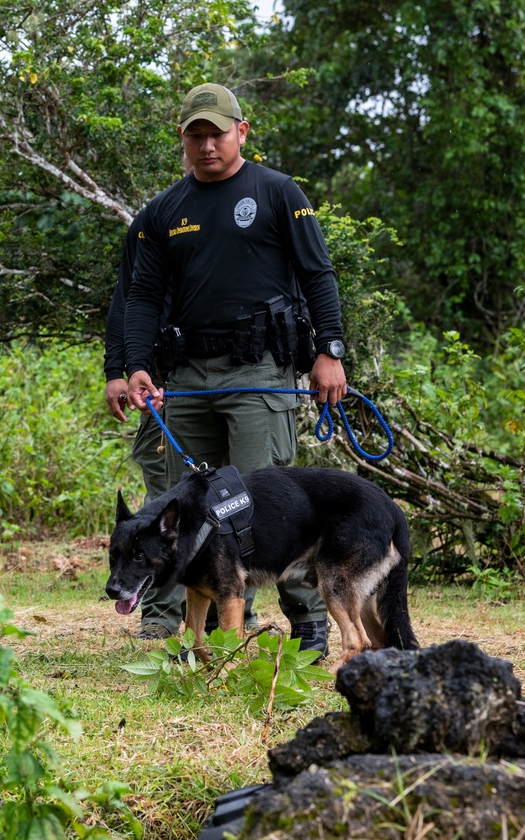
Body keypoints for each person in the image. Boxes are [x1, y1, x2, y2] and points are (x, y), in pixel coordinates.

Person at [123, 83, 348, 658]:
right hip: (187, 378)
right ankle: (178, 626)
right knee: (185, 510)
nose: (206, 145)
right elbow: (140, 296)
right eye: (194, 135)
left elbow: (318, 275)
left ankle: (309, 622)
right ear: (183, 138)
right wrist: (133, 366)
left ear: (241, 132)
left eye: (216, 133)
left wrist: (330, 351)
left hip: (260, 372)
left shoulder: (277, 193)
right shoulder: (164, 211)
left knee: (271, 505)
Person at [103, 158, 192, 640]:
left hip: (219, 377)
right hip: (158, 378)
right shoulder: (151, 221)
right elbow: (127, 299)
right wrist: (116, 369)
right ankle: (159, 617)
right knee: (162, 500)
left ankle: (233, 615)